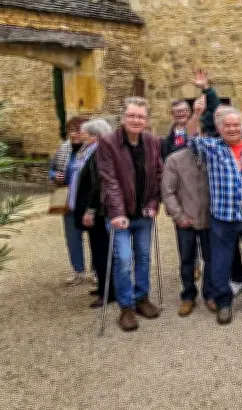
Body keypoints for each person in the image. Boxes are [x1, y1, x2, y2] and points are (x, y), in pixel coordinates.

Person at [189, 104, 242, 325]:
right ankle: (224, 302)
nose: (232, 129)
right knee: (221, 264)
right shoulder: (211, 147)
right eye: (227, 125)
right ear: (219, 128)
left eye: (236, 124)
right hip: (223, 219)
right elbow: (189, 137)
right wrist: (197, 114)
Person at [96, 97, 163, 332]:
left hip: (144, 214)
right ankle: (126, 306)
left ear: (146, 119)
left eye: (141, 116)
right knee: (123, 260)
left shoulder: (152, 141)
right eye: (132, 115)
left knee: (143, 257)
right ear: (123, 118)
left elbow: (158, 174)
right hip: (119, 215)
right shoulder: (108, 143)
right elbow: (110, 180)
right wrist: (117, 212)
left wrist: (154, 203)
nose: (136, 120)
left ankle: (142, 298)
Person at [161, 111, 214, 316]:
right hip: (186, 219)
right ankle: (188, 296)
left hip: (210, 219)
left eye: (201, 133)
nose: (198, 137)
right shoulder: (175, 160)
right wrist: (179, 216)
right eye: (194, 133)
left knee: (211, 259)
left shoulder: (214, 157)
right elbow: (168, 191)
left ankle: (209, 294)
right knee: (187, 260)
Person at [70, 118, 115, 308]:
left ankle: (109, 292)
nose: (82, 136)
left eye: (85, 134)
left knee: (102, 251)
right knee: (97, 250)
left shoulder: (98, 154)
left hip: (96, 212)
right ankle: (103, 288)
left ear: (95, 136)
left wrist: (90, 210)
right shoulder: (88, 151)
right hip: (88, 209)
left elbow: (97, 186)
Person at [50, 115, 89, 286]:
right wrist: (54, 175)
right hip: (68, 203)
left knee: (96, 238)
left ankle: (97, 272)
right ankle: (78, 272)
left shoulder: (93, 149)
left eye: (79, 130)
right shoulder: (63, 149)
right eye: (72, 130)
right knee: (73, 239)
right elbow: (51, 170)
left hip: (88, 202)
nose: (75, 134)